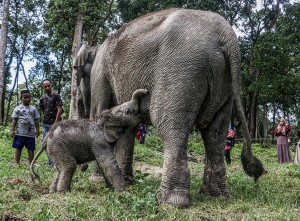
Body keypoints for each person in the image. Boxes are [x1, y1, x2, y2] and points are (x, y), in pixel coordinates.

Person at [10, 89, 40, 166]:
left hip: (30, 133)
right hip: (20, 133)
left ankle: (31, 163)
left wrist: (37, 130)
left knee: (31, 149)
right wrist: (12, 130)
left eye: (28, 97)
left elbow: (37, 120)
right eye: (25, 97)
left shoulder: (34, 109)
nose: (27, 99)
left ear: (30, 98)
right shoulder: (18, 108)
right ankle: (17, 163)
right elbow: (14, 119)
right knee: (18, 148)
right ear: (21, 98)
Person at [39, 79, 63, 165]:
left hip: (56, 124)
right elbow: (43, 110)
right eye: (45, 86)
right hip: (45, 124)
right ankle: (51, 162)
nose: (47, 87)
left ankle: (59, 161)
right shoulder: (42, 98)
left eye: (48, 85)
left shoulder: (56, 95)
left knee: (58, 142)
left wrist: (56, 123)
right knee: (46, 143)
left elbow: (59, 109)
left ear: (51, 85)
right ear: (43, 87)